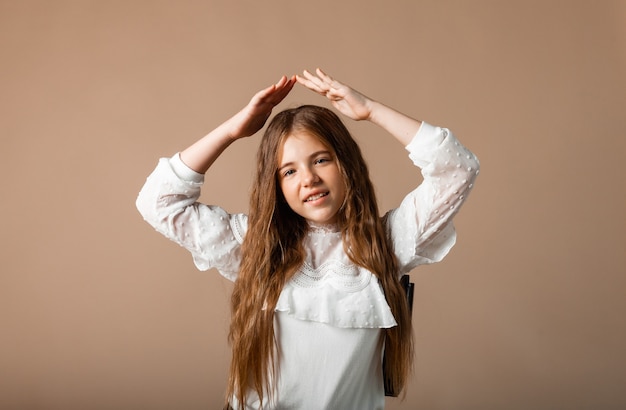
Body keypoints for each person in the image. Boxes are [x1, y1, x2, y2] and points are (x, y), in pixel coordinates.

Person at [136, 68, 479, 409]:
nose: (309, 179)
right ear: (277, 185)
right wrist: (232, 130)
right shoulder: (255, 247)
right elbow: (157, 201)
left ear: (347, 164)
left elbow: (457, 170)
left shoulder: (386, 243)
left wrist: (371, 110)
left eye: (321, 160)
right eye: (289, 171)